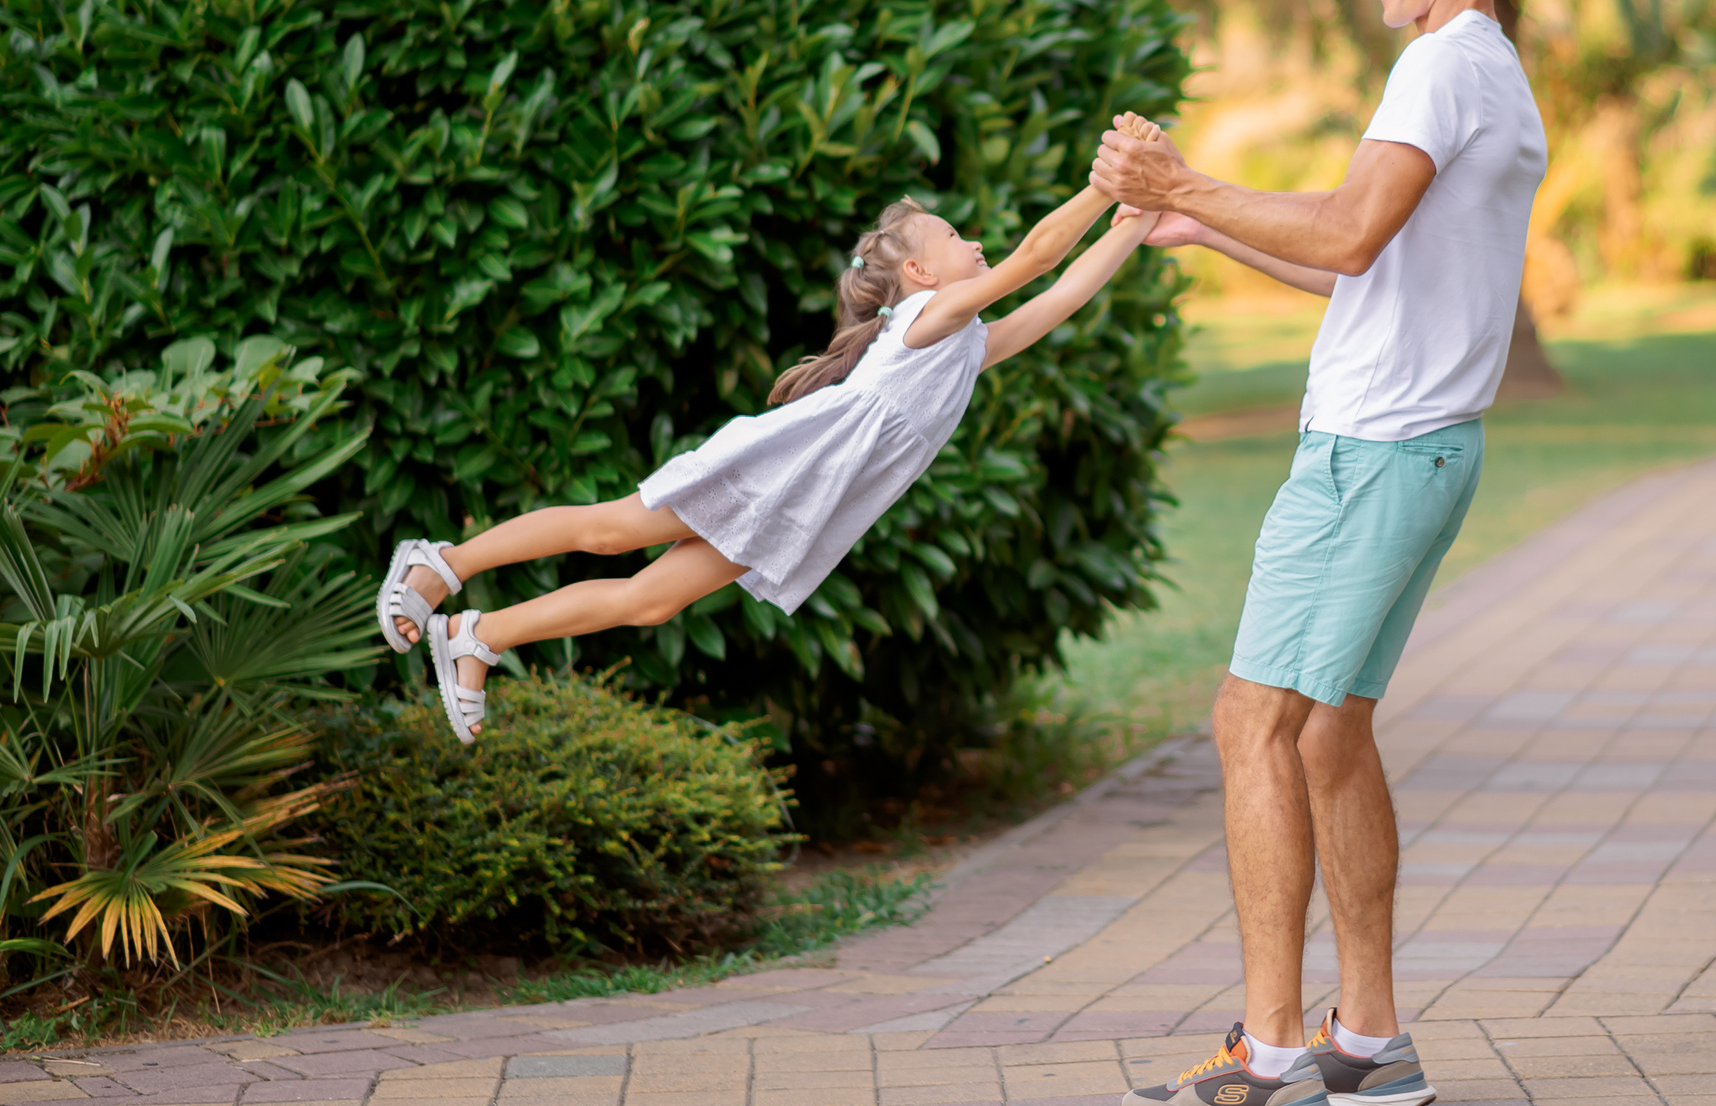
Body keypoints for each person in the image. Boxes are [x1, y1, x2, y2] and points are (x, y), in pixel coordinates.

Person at [1096, 0, 1546, 1106]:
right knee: (1331, 729)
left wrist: (1185, 176)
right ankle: (1370, 1040)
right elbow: (1371, 258)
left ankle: (1274, 1059)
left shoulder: (1437, 67)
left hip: (1371, 457)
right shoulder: (1493, 75)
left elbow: (1348, 227)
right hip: (1425, 452)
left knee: (1255, 725)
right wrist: (1204, 218)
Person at [372, 138, 1165, 745]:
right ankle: (440, 563)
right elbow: (1036, 257)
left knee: (650, 601)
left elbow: (1059, 293)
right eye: (956, 235)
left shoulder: (966, 339)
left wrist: (1136, 221)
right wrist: (1105, 185)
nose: (976, 241)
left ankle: (476, 634)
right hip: (782, 467)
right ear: (921, 273)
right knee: (611, 528)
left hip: (806, 498)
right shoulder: (927, 319)